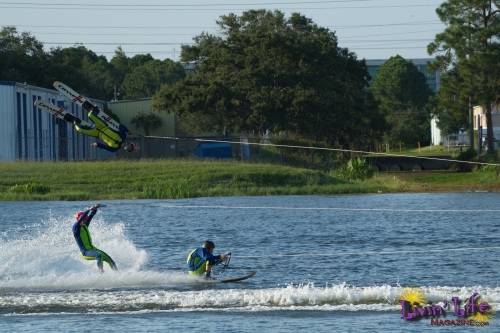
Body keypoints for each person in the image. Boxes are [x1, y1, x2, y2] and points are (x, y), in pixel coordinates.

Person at [72, 204, 117, 272]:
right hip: (85, 252)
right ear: (79, 219)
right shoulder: (76, 228)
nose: (85, 219)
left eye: (85, 218)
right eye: (84, 218)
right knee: (99, 255)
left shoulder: (85, 225)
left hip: (93, 249)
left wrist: (95, 208)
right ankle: (101, 273)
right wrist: (89, 209)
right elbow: (81, 218)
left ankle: (118, 274)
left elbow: (91, 215)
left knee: (110, 260)